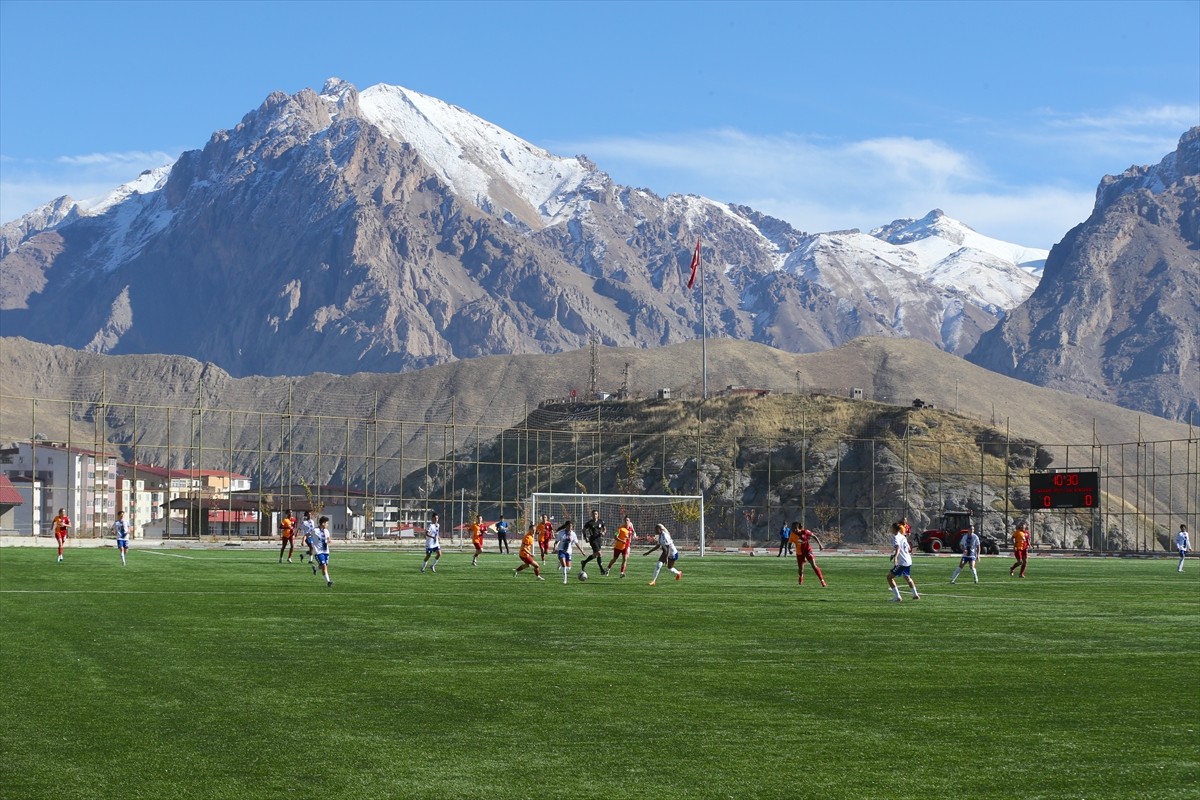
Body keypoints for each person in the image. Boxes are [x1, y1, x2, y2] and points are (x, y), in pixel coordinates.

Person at [887, 522, 920, 602]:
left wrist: (895, 557)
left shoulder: (896, 537)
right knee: (907, 578)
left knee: (889, 577)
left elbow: (898, 548)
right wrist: (896, 554)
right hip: (908, 560)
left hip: (902, 562)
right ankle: (915, 595)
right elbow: (908, 549)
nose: (891, 530)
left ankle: (897, 597)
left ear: (894, 529)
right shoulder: (903, 537)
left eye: (892, 528)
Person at [579, 509, 609, 576]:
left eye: (596, 514)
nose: (594, 515)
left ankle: (584, 562)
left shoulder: (601, 521)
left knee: (595, 555)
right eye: (593, 514)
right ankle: (602, 570)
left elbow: (604, 528)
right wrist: (585, 537)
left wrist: (604, 532)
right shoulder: (589, 523)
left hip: (599, 539)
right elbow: (583, 530)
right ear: (591, 515)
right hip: (592, 540)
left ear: (598, 515)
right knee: (599, 553)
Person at [555, 519, 586, 584]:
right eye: (569, 526)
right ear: (566, 526)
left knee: (568, 568)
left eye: (571, 526)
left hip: (568, 552)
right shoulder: (561, 533)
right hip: (561, 550)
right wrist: (554, 548)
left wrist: (582, 551)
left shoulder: (573, 534)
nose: (570, 527)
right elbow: (556, 542)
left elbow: (576, 543)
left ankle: (560, 563)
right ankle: (565, 580)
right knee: (564, 566)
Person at [313, 515, 333, 587]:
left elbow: (328, 539)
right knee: (324, 566)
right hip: (319, 552)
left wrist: (329, 541)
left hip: (326, 551)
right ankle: (328, 582)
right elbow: (307, 534)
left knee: (323, 566)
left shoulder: (326, 531)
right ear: (323, 523)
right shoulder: (315, 530)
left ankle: (315, 569)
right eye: (327, 523)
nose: (327, 525)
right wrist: (303, 540)